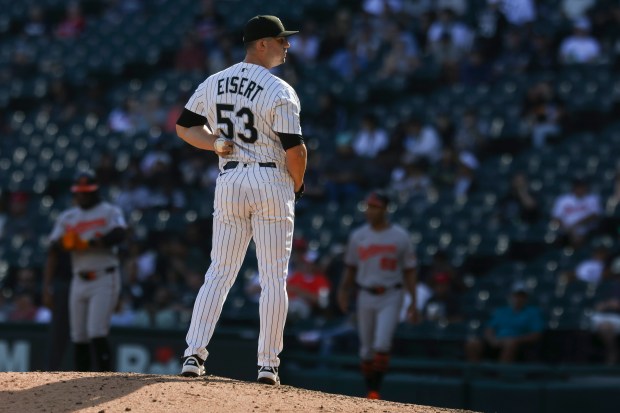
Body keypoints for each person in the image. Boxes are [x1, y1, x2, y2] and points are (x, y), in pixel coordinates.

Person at [175, 15, 307, 386]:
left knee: (219, 271)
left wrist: (214, 143)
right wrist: (297, 184)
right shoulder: (279, 89)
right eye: (281, 40)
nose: (287, 45)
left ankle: (193, 354)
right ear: (261, 44)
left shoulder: (214, 81)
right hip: (270, 178)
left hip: (230, 178)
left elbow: (184, 126)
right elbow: (295, 150)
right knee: (273, 278)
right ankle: (268, 364)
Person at [337, 190, 418, 400]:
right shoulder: (358, 235)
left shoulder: (400, 236)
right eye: (369, 207)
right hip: (365, 294)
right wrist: (343, 290)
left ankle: (375, 392)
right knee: (366, 351)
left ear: (386, 209)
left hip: (391, 294)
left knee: (382, 344)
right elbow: (350, 267)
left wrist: (414, 302)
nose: (370, 211)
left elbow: (410, 270)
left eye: (375, 207)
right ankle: (370, 390)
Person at [44, 170, 128, 372]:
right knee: (79, 335)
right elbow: (53, 247)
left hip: (104, 276)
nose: (82, 195)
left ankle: (105, 377)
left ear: (95, 192)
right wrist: (67, 244)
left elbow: (120, 234)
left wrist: (91, 242)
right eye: (79, 192)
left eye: (86, 192)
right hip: (79, 278)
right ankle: (81, 381)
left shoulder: (109, 211)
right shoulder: (69, 216)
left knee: (96, 330)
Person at [465, 282, 545, 363]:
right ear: (511, 296)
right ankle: (475, 372)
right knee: (473, 343)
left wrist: (515, 340)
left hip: (519, 345)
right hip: (497, 342)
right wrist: (492, 340)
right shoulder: (501, 311)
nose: (519, 298)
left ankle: (501, 373)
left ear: (526, 298)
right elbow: (489, 329)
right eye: (516, 295)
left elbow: (536, 335)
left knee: (509, 344)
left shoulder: (533, 312)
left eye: (522, 296)